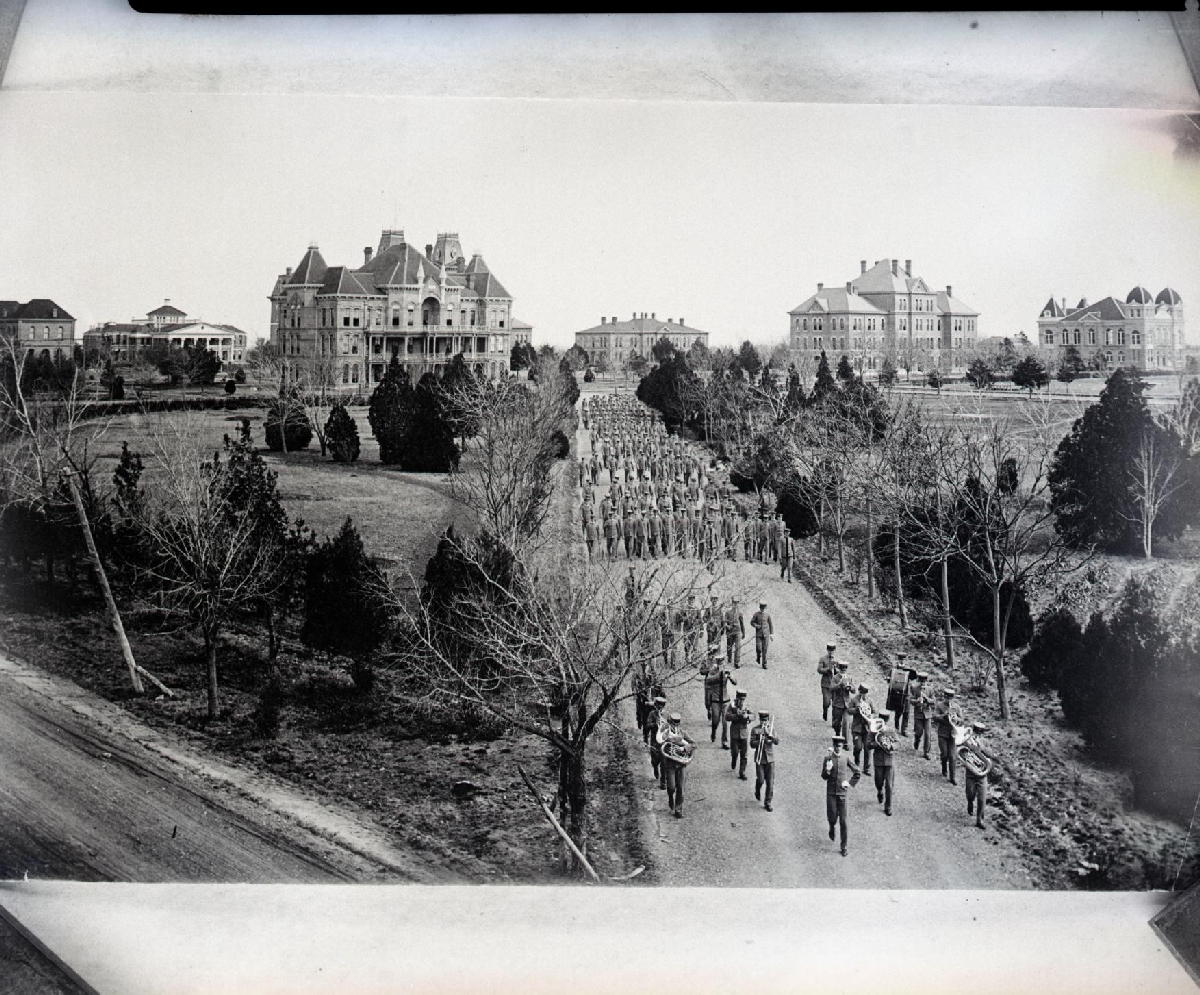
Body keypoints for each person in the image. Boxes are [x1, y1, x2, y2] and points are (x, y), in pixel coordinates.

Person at [821, 734, 860, 856]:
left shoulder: (846, 758)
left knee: (844, 821)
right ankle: (831, 827)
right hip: (831, 793)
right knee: (832, 817)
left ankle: (844, 846)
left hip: (842, 793)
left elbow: (857, 772)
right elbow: (823, 776)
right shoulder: (828, 758)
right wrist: (827, 770)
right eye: (836, 746)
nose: (838, 748)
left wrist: (849, 783)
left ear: (842, 746)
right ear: (833, 746)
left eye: (840, 746)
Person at [660, 713, 694, 819]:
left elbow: (694, 744)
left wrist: (684, 748)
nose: (675, 726)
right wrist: (667, 743)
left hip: (681, 764)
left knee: (681, 788)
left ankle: (678, 809)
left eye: (677, 723)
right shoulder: (666, 733)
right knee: (671, 787)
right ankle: (670, 797)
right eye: (673, 723)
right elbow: (660, 742)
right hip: (670, 764)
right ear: (670, 723)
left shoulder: (683, 733)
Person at [963, 722, 996, 829]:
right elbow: (962, 753)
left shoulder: (985, 742)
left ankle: (979, 820)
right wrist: (970, 748)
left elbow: (991, 755)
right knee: (970, 793)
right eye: (976, 732)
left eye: (980, 733)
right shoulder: (968, 740)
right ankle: (970, 802)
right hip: (971, 772)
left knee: (982, 799)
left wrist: (982, 748)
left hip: (982, 774)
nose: (978, 735)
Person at [704, 654, 737, 748]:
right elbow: (708, 680)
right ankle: (713, 731)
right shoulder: (712, 671)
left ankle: (724, 741)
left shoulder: (727, 671)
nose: (721, 665)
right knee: (715, 721)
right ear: (717, 663)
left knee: (725, 721)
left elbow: (735, 682)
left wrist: (730, 676)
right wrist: (718, 676)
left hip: (725, 700)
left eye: (722, 663)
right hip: (715, 700)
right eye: (719, 663)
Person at [932, 687, 964, 785]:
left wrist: (956, 719)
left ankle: (952, 777)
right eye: (947, 698)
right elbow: (934, 716)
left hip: (953, 734)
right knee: (944, 754)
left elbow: (962, 720)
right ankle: (944, 766)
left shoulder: (956, 707)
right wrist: (944, 716)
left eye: (951, 698)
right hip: (942, 733)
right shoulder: (939, 705)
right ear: (944, 697)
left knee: (953, 756)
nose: (949, 700)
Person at [871, 709, 899, 816]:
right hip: (878, 760)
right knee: (878, 781)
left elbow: (898, 743)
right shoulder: (874, 730)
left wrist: (891, 746)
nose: (884, 723)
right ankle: (879, 791)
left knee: (889, 785)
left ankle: (888, 806)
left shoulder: (891, 731)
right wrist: (876, 744)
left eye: (885, 720)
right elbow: (868, 745)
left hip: (889, 761)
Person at [750, 710, 780, 811]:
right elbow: (752, 744)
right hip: (760, 759)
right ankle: (757, 788)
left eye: (766, 720)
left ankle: (768, 802)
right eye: (762, 720)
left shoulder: (771, 729)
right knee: (761, 780)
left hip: (770, 759)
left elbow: (777, 741)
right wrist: (761, 740)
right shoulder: (755, 730)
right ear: (760, 720)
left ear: (768, 720)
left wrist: (771, 736)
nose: (764, 722)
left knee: (770, 783)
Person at [725, 690, 753, 780]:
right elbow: (727, 716)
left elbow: (753, 716)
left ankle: (742, 772)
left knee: (744, 754)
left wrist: (747, 716)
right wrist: (736, 715)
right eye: (740, 699)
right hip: (735, 733)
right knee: (735, 752)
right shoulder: (732, 705)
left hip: (744, 733)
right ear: (737, 698)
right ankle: (734, 759)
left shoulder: (747, 706)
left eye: (743, 699)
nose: (742, 701)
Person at [849, 683, 875, 775]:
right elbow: (849, 710)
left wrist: (871, 716)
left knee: (868, 749)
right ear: (859, 691)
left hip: (867, 728)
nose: (863, 695)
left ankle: (866, 768)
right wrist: (857, 710)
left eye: (865, 693)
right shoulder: (854, 699)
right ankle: (857, 764)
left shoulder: (870, 701)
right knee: (858, 747)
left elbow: (874, 712)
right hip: (857, 728)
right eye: (862, 693)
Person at [644, 694, 667, 789]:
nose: (660, 707)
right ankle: (655, 768)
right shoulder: (652, 714)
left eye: (661, 705)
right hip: (654, 741)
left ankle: (663, 782)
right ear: (655, 705)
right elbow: (647, 726)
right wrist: (655, 724)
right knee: (655, 760)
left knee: (664, 762)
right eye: (658, 705)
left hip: (664, 742)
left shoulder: (667, 715)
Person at [910, 671, 932, 758]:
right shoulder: (915, 688)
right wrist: (917, 700)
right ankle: (917, 739)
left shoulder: (930, 689)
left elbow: (934, 701)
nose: (923, 683)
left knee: (927, 734)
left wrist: (928, 700)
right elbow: (911, 700)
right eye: (921, 681)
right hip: (918, 714)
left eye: (924, 681)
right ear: (919, 681)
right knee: (919, 732)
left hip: (927, 715)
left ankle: (926, 752)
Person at [830, 661, 852, 737]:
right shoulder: (835, 677)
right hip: (838, 703)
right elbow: (831, 688)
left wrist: (850, 687)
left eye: (845, 668)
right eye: (842, 668)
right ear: (839, 669)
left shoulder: (849, 677)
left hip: (847, 704)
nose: (844, 670)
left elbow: (854, 690)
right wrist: (839, 684)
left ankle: (845, 740)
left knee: (846, 722)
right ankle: (837, 733)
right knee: (836, 722)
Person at [817, 642, 838, 721]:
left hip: (835, 685)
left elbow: (841, 671)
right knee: (826, 702)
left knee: (835, 703)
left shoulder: (837, 660)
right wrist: (827, 670)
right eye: (829, 650)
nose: (831, 652)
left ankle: (834, 720)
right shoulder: (823, 659)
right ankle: (825, 710)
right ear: (827, 650)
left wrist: (836, 670)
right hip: (825, 684)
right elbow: (819, 670)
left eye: (832, 650)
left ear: (835, 650)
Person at [751, 601, 773, 669]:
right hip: (759, 634)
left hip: (766, 634)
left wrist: (771, 634)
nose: (762, 609)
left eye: (763, 608)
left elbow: (770, 624)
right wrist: (756, 626)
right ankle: (758, 656)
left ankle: (764, 663)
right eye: (761, 608)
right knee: (758, 648)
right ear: (760, 608)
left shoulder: (767, 615)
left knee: (765, 649)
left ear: (765, 608)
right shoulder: (756, 614)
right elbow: (752, 622)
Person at [725, 599, 746, 668]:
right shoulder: (728, 612)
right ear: (732, 604)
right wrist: (727, 626)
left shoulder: (740, 613)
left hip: (738, 632)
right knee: (729, 646)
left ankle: (736, 662)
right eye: (734, 603)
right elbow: (725, 622)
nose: (735, 605)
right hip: (730, 632)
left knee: (738, 647)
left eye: (737, 604)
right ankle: (729, 658)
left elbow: (742, 623)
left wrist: (743, 633)